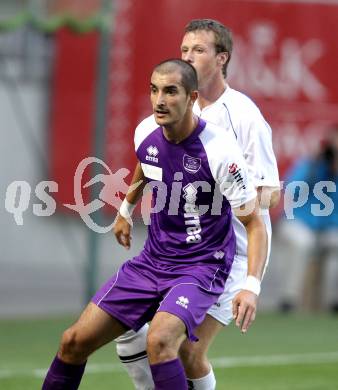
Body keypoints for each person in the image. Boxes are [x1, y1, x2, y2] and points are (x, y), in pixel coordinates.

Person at [42, 59, 267, 390]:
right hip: (152, 262)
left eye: (171, 91)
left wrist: (251, 286)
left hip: (201, 266)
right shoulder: (146, 130)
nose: (160, 100)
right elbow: (146, 164)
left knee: (161, 342)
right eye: (154, 90)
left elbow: (255, 224)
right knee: (73, 341)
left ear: (192, 98)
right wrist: (125, 208)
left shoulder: (220, 151)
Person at [113, 19, 280, 390]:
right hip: (179, 251)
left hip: (229, 254)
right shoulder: (175, 103)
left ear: (222, 58)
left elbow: (272, 192)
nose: (187, 57)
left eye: (199, 50)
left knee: (185, 351)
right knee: (132, 338)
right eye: (184, 49)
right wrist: (127, 206)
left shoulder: (244, 115)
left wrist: (224, 198)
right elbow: (150, 157)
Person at [278, 125, 338, 312]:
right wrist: (315, 167)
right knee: (303, 242)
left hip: (330, 227)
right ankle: (289, 300)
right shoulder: (311, 163)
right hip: (299, 222)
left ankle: (333, 302)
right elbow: (290, 188)